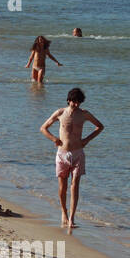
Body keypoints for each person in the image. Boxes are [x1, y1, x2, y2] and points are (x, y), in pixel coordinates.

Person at [40, 87, 104, 231]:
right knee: (62, 187)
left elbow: (100, 127)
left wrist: (87, 139)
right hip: (62, 154)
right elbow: (43, 128)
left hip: (78, 153)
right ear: (69, 100)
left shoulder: (84, 114)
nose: (76, 105)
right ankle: (64, 213)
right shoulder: (60, 113)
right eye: (74, 102)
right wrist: (53, 139)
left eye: (79, 102)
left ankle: (72, 218)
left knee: (75, 185)